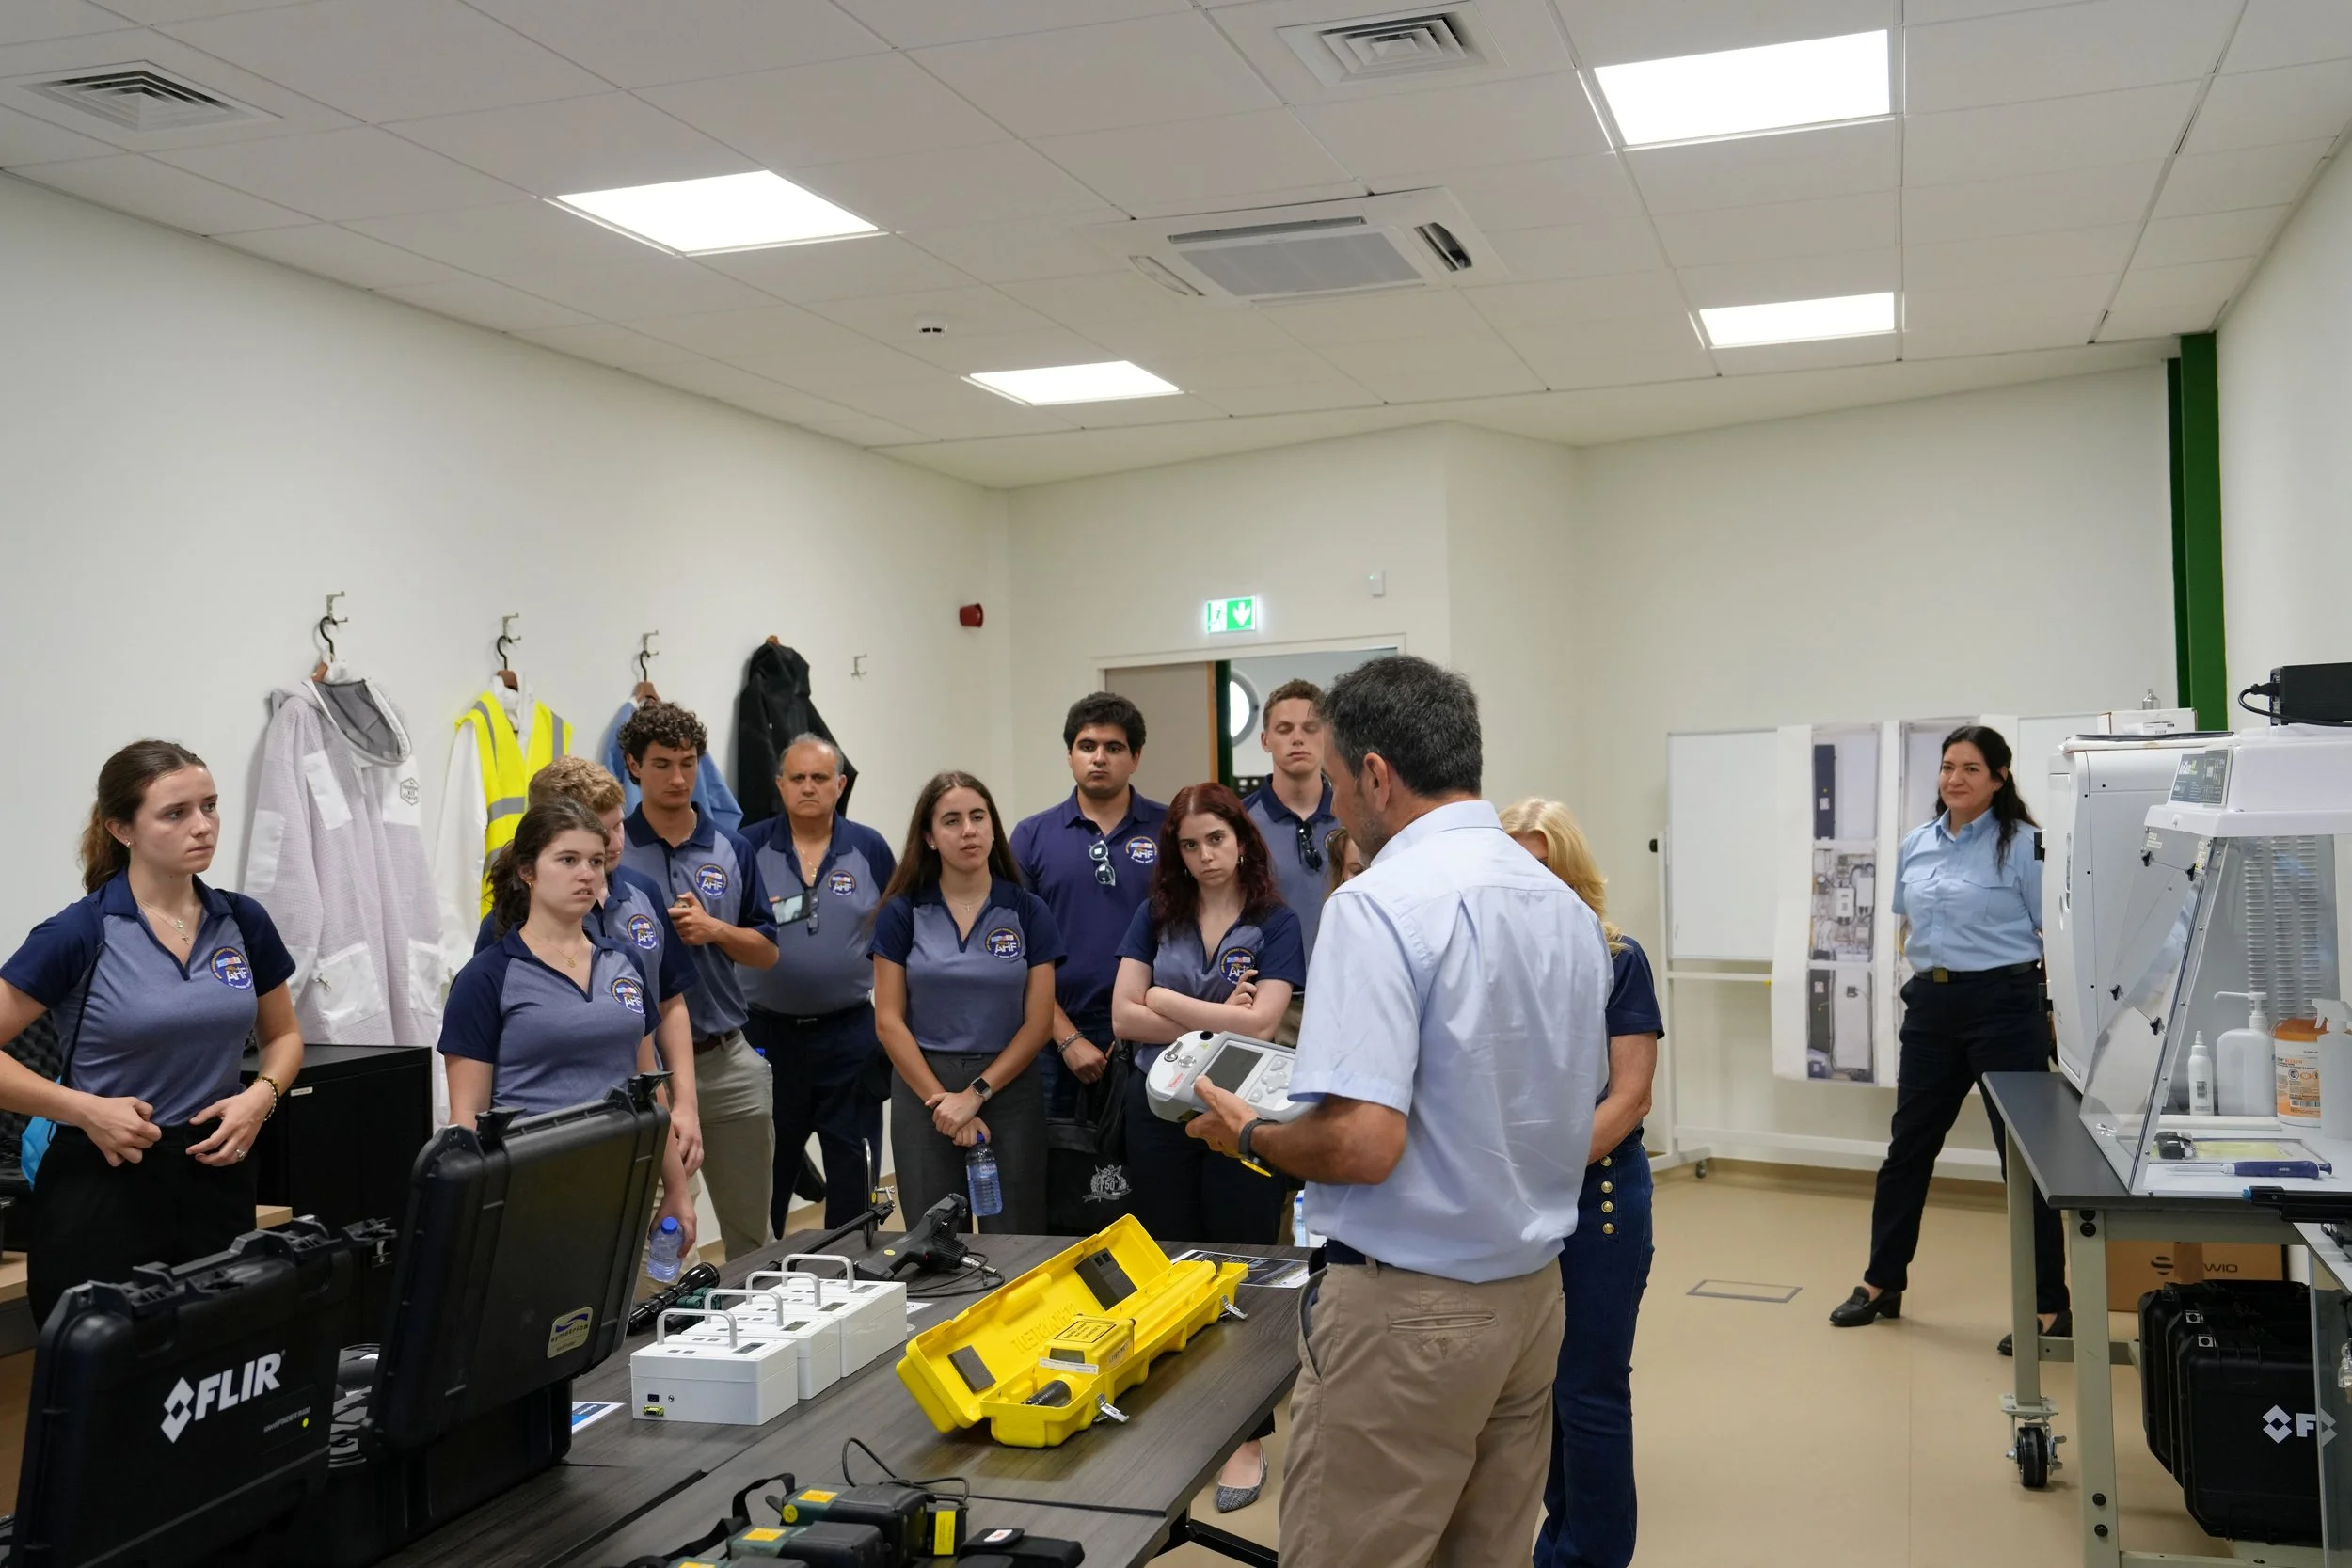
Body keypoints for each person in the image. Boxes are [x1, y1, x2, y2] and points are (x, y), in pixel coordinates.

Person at [1185, 657, 1611, 1568]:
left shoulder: (1377, 904)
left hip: (1409, 1310)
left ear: (1376, 773)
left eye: (1336, 783)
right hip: (1532, 1297)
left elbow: (1362, 1140)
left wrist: (1252, 1133)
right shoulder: (1566, 910)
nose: (1336, 808)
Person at [0, 741, 303, 1322]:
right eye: (176, 813)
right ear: (122, 828)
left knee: (222, 1371)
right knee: (103, 1389)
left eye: (210, 806)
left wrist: (259, 1099)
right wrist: (84, 1109)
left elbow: (285, 1037)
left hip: (217, 1173)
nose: (203, 826)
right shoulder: (79, 931)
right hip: (104, 1180)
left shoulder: (243, 921)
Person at [1830, 724, 2070, 1353]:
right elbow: (1911, 922)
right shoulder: (1918, 844)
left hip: (2004, 1006)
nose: (1954, 778)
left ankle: (2049, 1306)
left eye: (1969, 768)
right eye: (1947, 767)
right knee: (1908, 1148)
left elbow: (2056, 933)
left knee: (2021, 1157)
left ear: (1998, 777)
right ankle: (1883, 1281)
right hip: (1932, 1004)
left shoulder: (2025, 845)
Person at [1112, 781, 1303, 1512]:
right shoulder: (1155, 915)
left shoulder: (1275, 922)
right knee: (1167, 1261)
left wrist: (1166, 1002)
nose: (1204, 855)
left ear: (1242, 839)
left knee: (1245, 1265)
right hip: (1155, 1109)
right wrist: (1219, 1013)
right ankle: (1178, 1420)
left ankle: (1246, 1434)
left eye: (1215, 839)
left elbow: (1265, 1027)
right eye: (1189, 845)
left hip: (1242, 1113)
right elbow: (1124, 1018)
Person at [1502, 798, 1660, 1568]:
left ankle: (1590, 1555)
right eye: (1513, 866)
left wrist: (1538, 1170)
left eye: (1544, 866)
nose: (1529, 883)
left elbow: (1628, 1100)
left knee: (1589, 1388)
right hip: (1518, 1196)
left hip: (1595, 1197)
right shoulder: (1490, 961)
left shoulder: (1617, 955)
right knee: (1538, 1395)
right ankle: (1558, 1542)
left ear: (1573, 874)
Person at [440, 797, 694, 1249]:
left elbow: (649, 1086)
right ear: (528, 871)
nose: (587, 873)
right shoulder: (485, 979)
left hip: (624, 1183)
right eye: (568, 859)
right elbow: (467, 1121)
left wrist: (675, 1190)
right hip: (527, 1192)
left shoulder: (625, 961)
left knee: (646, 1313)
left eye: (596, 861)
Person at [473, 756, 703, 1177]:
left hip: (639, 1127)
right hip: (544, 1146)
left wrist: (685, 1104)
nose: (615, 842)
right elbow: (480, 1072)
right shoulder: (504, 933)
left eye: (618, 826)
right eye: (600, 832)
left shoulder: (641, 893)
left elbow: (669, 1005)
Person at [617, 700, 778, 1260]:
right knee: (659, 1236)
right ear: (634, 766)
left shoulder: (731, 847)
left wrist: (714, 930)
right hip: (643, 1073)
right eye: (662, 764)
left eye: (688, 762)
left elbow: (766, 953)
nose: (678, 778)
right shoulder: (614, 853)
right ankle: (654, 1338)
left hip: (728, 1059)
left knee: (752, 1234)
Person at [871, 772, 1062, 1235]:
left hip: (1008, 1087)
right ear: (930, 838)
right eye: (952, 821)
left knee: (1016, 1236)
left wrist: (974, 1095)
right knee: (934, 1239)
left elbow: (1038, 1023)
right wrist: (943, 1104)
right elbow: (888, 1020)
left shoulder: (1027, 910)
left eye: (978, 817)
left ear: (994, 828)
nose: (968, 830)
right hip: (923, 1088)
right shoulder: (902, 911)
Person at [741, 735, 897, 1232]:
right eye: (798, 778)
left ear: (840, 784)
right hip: (765, 1037)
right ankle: (761, 1287)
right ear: (781, 785)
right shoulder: (748, 847)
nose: (809, 787)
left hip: (849, 1036)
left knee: (854, 1169)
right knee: (766, 1175)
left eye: (820, 778)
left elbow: (896, 937)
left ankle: (852, 1276)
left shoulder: (869, 847)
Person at [1009, 693, 1166, 1127]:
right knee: (1055, 1175)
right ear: (1070, 755)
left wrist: (1141, 1025)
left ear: (1136, 757)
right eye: (1087, 746)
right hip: (1051, 1034)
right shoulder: (1031, 836)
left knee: (1143, 1172)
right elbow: (1013, 947)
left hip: (1151, 1033)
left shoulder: (1170, 829)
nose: (1099, 758)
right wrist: (1065, 1037)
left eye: (1114, 748)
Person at [1243, 679, 1343, 958]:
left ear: (1327, 736)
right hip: (1267, 989)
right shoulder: (1239, 823)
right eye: (1284, 729)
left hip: (1346, 983)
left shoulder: (1355, 817)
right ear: (1265, 740)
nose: (1298, 738)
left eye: (1310, 729)